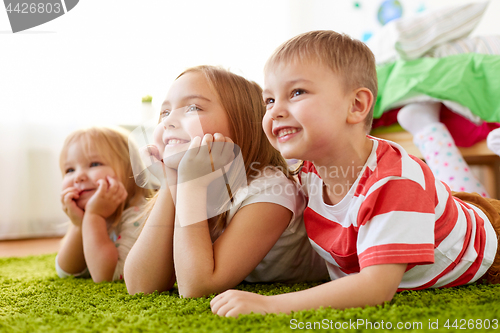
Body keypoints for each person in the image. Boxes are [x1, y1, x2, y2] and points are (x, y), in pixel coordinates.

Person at [210, 30, 500, 317]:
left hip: (490, 248)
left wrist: (269, 305)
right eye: (269, 100)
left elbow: (375, 288)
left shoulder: (393, 182)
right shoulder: (307, 169)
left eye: (296, 92)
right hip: (442, 212)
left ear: (356, 105)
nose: (275, 112)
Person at [124, 65, 328, 297]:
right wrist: (172, 182)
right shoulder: (188, 182)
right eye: (165, 112)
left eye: (193, 108)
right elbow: (141, 286)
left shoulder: (271, 189)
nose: (169, 122)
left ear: (244, 124)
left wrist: (191, 185)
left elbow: (197, 287)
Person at [56, 127, 153, 282]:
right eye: (70, 169)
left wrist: (95, 217)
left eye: (94, 164)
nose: (78, 176)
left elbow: (110, 275)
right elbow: (67, 271)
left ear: (130, 171)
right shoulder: (89, 212)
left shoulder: (139, 215)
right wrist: (79, 225)